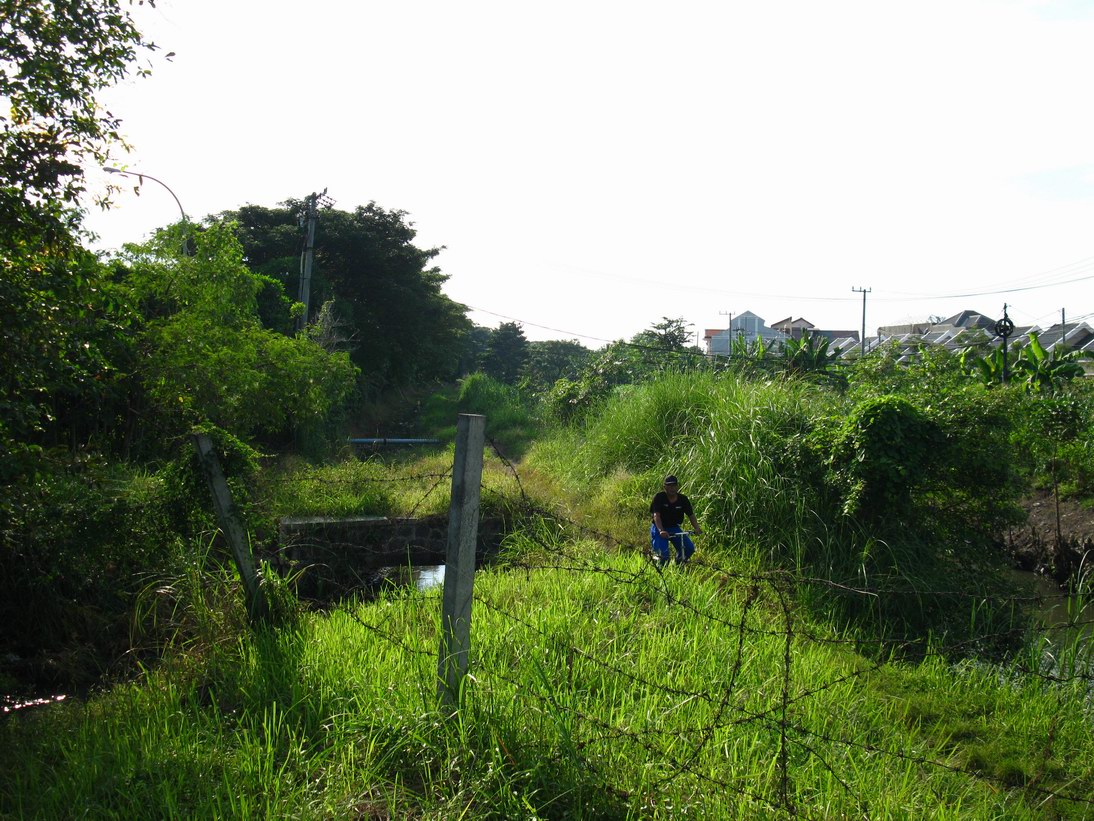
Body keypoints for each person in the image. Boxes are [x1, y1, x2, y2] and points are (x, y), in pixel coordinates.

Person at [650, 474, 701, 566]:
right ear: (664, 487)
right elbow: (656, 515)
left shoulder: (683, 499)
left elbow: (691, 515)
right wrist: (661, 531)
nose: (672, 488)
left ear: (677, 486)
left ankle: (678, 563)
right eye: (669, 486)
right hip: (659, 528)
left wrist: (697, 528)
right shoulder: (659, 497)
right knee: (663, 555)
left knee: (689, 548)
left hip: (674, 527)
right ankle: (661, 572)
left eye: (674, 485)